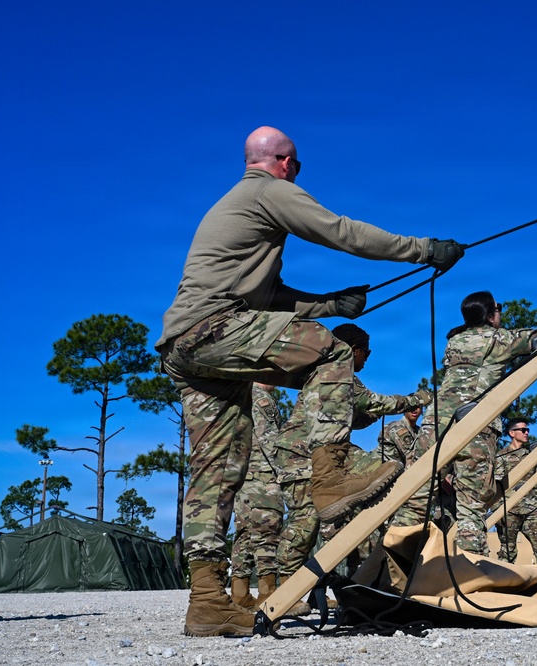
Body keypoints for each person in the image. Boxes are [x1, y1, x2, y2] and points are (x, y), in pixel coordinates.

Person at [156, 126, 464, 637]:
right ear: (284, 162)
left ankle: (206, 600)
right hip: (218, 328)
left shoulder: (234, 206)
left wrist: (331, 303)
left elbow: (268, 295)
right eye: (297, 166)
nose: (297, 174)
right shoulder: (266, 190)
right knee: (333, 350)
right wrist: (424, 249)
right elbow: (340, 231)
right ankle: (329, 477)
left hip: (185, 347)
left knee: (217, 468)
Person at [397, 291, 537, 556]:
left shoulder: (454, 341)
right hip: (474, 423)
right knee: (471, 505)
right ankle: (469, 568)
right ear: (491, 314)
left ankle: (395, 561)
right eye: (499, 308)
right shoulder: (498, 339)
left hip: (436, 421)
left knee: (416, 495)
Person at [274, 323, 430, 588]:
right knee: (306, 522)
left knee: (381, 471)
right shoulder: (337, 370)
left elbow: (356, 416)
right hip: (300, 455)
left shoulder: (333, 373)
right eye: (366, 353)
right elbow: (371, 402)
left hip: (320, 452)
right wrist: (416, 399)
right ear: (354, 350)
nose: (367, 359)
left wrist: (374, 413)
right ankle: (280, 590)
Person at [229, 383, 285, 609]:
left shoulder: (239, 394)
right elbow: (269, 440)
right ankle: (267, 595)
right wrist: (284, 472)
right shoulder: (260, 398)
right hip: (263, 477)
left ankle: (239, 593)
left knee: (244, 535)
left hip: (243, 477)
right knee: (267, 533)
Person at [494, 418, 537, 563]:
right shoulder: (501, 457)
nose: (526, 433)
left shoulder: (532, 456)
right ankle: (503, 576)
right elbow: (496, 485)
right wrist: (496, 510)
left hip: (531, 509)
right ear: (512, 433)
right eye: (523, 430)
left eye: (527, 430)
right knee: (507, 551)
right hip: (509, 510)